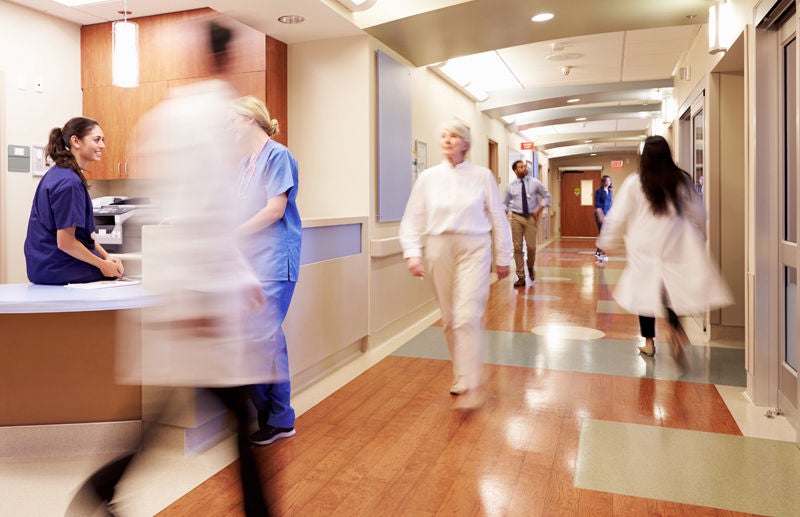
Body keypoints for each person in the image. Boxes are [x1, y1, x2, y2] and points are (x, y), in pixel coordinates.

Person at [67, 21, 275, 517]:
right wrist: (205, 298)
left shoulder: (167, 116)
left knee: (173, 412)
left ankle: (103, 487)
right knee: (229, 416)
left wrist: (235, 280)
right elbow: (202, 211)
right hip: (196, 299)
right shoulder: (206, 122)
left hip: (191, 294)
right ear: (225, 59)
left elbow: (198, 212)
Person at [399, 120, 512, 409]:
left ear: (465, 143)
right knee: (450, 318)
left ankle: (472, 381)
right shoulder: (428, 178)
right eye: (444, 135)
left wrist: (503, 256)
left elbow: (498, 218)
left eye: (455, 136)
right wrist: (413, 253)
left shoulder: (482, 175)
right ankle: (461, 373)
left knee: (467, 315)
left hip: (474, 246)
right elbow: (413, 217)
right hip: (438, 248)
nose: (448, 140)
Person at [597, 135, 731, 361]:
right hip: (674, 241)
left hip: (644, 245)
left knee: (644, 294)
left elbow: (617, 216)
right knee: (670, 290)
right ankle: (675, 329)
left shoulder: (634, 182)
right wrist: (701, 237)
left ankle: (649, 343)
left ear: (644, 158)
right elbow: (699, 213)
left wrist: (605, 242)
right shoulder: (681, 180)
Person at [230, 95, 302, 446]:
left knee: (262, 339)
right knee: (259, 339)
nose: (229, 127)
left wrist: (234, 234)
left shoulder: (278, 155)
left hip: (274, 260)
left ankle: (278, 418)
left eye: (232, 120)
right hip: (250, 264)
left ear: (249, 120)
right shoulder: (245, 163)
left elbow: (275, 210)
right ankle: (271, 415)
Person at [24, 117, 124, 285]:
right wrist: (103, 265)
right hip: (56, 266)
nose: (102, 146)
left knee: (114, 269)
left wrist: (107, 257)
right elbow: (66, 242)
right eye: (97, 140)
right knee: (116, 275)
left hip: (44, 264)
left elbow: (82, 236)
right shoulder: (69, 183)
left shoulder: (59, 174)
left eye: (103, 140)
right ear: (76, 141)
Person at [504, 160, 551, 287]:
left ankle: (530, 266)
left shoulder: (535, 183)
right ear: (515, 170)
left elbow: (547, 196)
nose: (523, 168)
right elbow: (506, 203)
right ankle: (521, 276)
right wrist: (503, 214)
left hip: (531, 217)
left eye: (524, 166)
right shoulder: (511, 186)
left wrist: (539, 209)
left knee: (531, 247)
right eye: (520, 167)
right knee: (517, 248)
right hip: (516, 217)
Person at [594, 174, 613, 261]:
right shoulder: (598, 191)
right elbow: (597, 205)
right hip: (600, 214)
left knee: (604, 234)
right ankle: (601, 254)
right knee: (603, 234)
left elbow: (610, 204)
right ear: (603, 182)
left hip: (608, 215)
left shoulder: (610, 191)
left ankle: (598, 252)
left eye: (610, 180)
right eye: (607, 180)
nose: (609, 182)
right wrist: (601, 216)